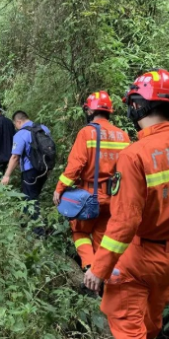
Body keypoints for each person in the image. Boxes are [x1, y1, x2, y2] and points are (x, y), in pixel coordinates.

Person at [83, 69, 169, 339]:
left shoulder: (134, 155)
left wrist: (99, 268)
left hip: (137, 257)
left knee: (127, 325)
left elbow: (125, 220)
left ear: (137, 105)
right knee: (151, 319)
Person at [53, 91, 130, 271]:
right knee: (102, 235)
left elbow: (75, 166)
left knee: (80, 230)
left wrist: (60, 188)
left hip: (89, 196)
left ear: (89, 111)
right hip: (114, 196)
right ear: (109, 111)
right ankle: (104, 275)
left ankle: (89, 267)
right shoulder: (123, 136)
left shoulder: (87, 133)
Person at [1, 111, 52, 227]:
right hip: (45, 169)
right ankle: (23, 225)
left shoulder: (21, 134)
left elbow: (15, 157)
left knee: (31, 201)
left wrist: (7, 175)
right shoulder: (43, 129)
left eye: (16, 125)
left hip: (30, 172)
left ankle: (39, 232)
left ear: (18, 121)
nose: (16, 127)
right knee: (30, 197)